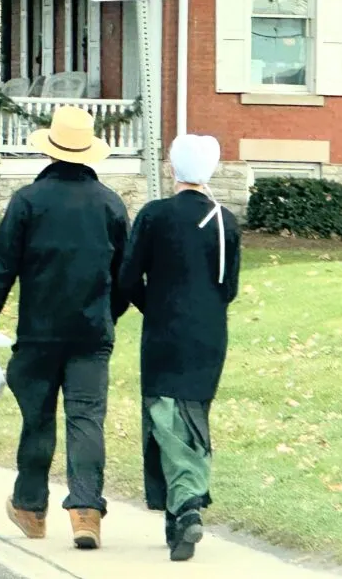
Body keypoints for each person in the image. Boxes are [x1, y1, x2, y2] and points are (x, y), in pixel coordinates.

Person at [0, 106, 130, 551]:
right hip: (91, 336)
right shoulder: (111, 205)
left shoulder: (27, 203)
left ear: (51, 151)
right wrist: (106, 314)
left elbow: (0, 270)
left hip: (38, 335)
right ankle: (86, 512)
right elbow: (127, 277)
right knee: (86, 420)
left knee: (38, 421)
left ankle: (31, 508)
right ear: (89, 152)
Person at [114, 134, 242, 562]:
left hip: (165, 333)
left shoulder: (155, 215)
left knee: (167, 417)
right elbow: (229, 288)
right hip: (209, 335)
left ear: (172, 168)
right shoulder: (226, 221)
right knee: (191, 416)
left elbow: (129, 278)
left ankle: (187, 506)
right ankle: (177, 518)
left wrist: (154, 308)